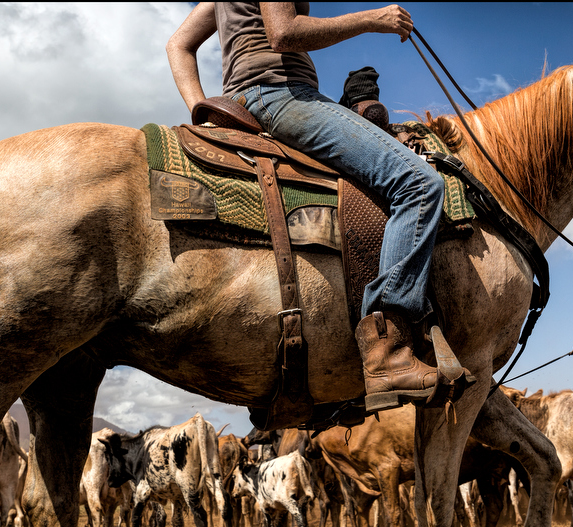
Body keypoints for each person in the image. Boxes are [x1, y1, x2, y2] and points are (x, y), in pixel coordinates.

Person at [167, 2, 451, 411]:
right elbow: (284, 33)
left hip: (249, 98)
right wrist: (372, 20)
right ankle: (387, 351)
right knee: (419, 183)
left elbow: (178, 44)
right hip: (281, 95)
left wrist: (199, 107)